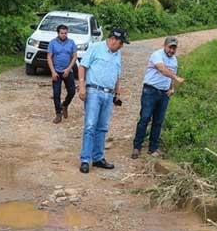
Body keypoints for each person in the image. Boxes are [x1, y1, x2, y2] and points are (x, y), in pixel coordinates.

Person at [77, 28, 130, 174]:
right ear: (113, 39)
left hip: (108, 94)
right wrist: (82, 86)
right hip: (94, 91)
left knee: (102, 127)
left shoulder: (117, 53)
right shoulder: (95, 48)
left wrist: (117, 92)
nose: (121, 46)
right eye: (120, 43)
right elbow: (82, 66)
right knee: (90, 125)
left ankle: (98, 157)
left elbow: (117, 73)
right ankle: (85, 160)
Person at [131, 36, 185, 159]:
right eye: (170, 47)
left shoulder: (174, 60)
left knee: (158, 121)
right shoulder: (157, 55)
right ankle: (137, 147)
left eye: (174, 48)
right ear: (164, 46)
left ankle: (153, 148)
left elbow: (171, 74)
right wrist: (176, 78)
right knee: (144, 118)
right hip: (150, 91)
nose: (171, 50)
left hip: (164, 93)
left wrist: (172, 88)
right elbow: (161, 69)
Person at [47, 24, 78, 124]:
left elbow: (74, 57)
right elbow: (49, 57)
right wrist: (53, 72)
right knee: (56, 94)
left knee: (72, 91)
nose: (64, 35)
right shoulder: (52, 43)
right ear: (58, 33)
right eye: (62, 33)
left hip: (68, 71)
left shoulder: (71, 42)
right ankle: (58, 114)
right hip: (56, 71)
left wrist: (68, 69)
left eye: (65, 33)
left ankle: (64, 104)